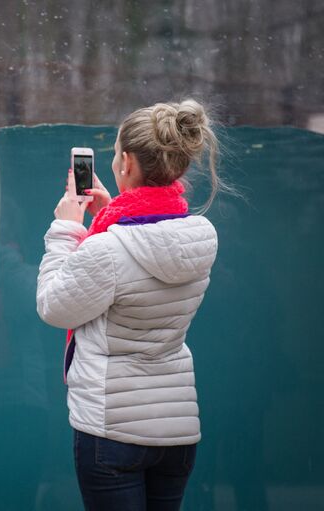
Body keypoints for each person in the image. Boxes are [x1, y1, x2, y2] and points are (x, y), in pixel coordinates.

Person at [36, 99, 225, 510]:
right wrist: (112, 216)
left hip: (111, 431)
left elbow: (53, 306)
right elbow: (145, 246)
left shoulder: (106, 249)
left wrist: (67, 228)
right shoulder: (201, 237)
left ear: (125, 162)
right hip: (176, 432)